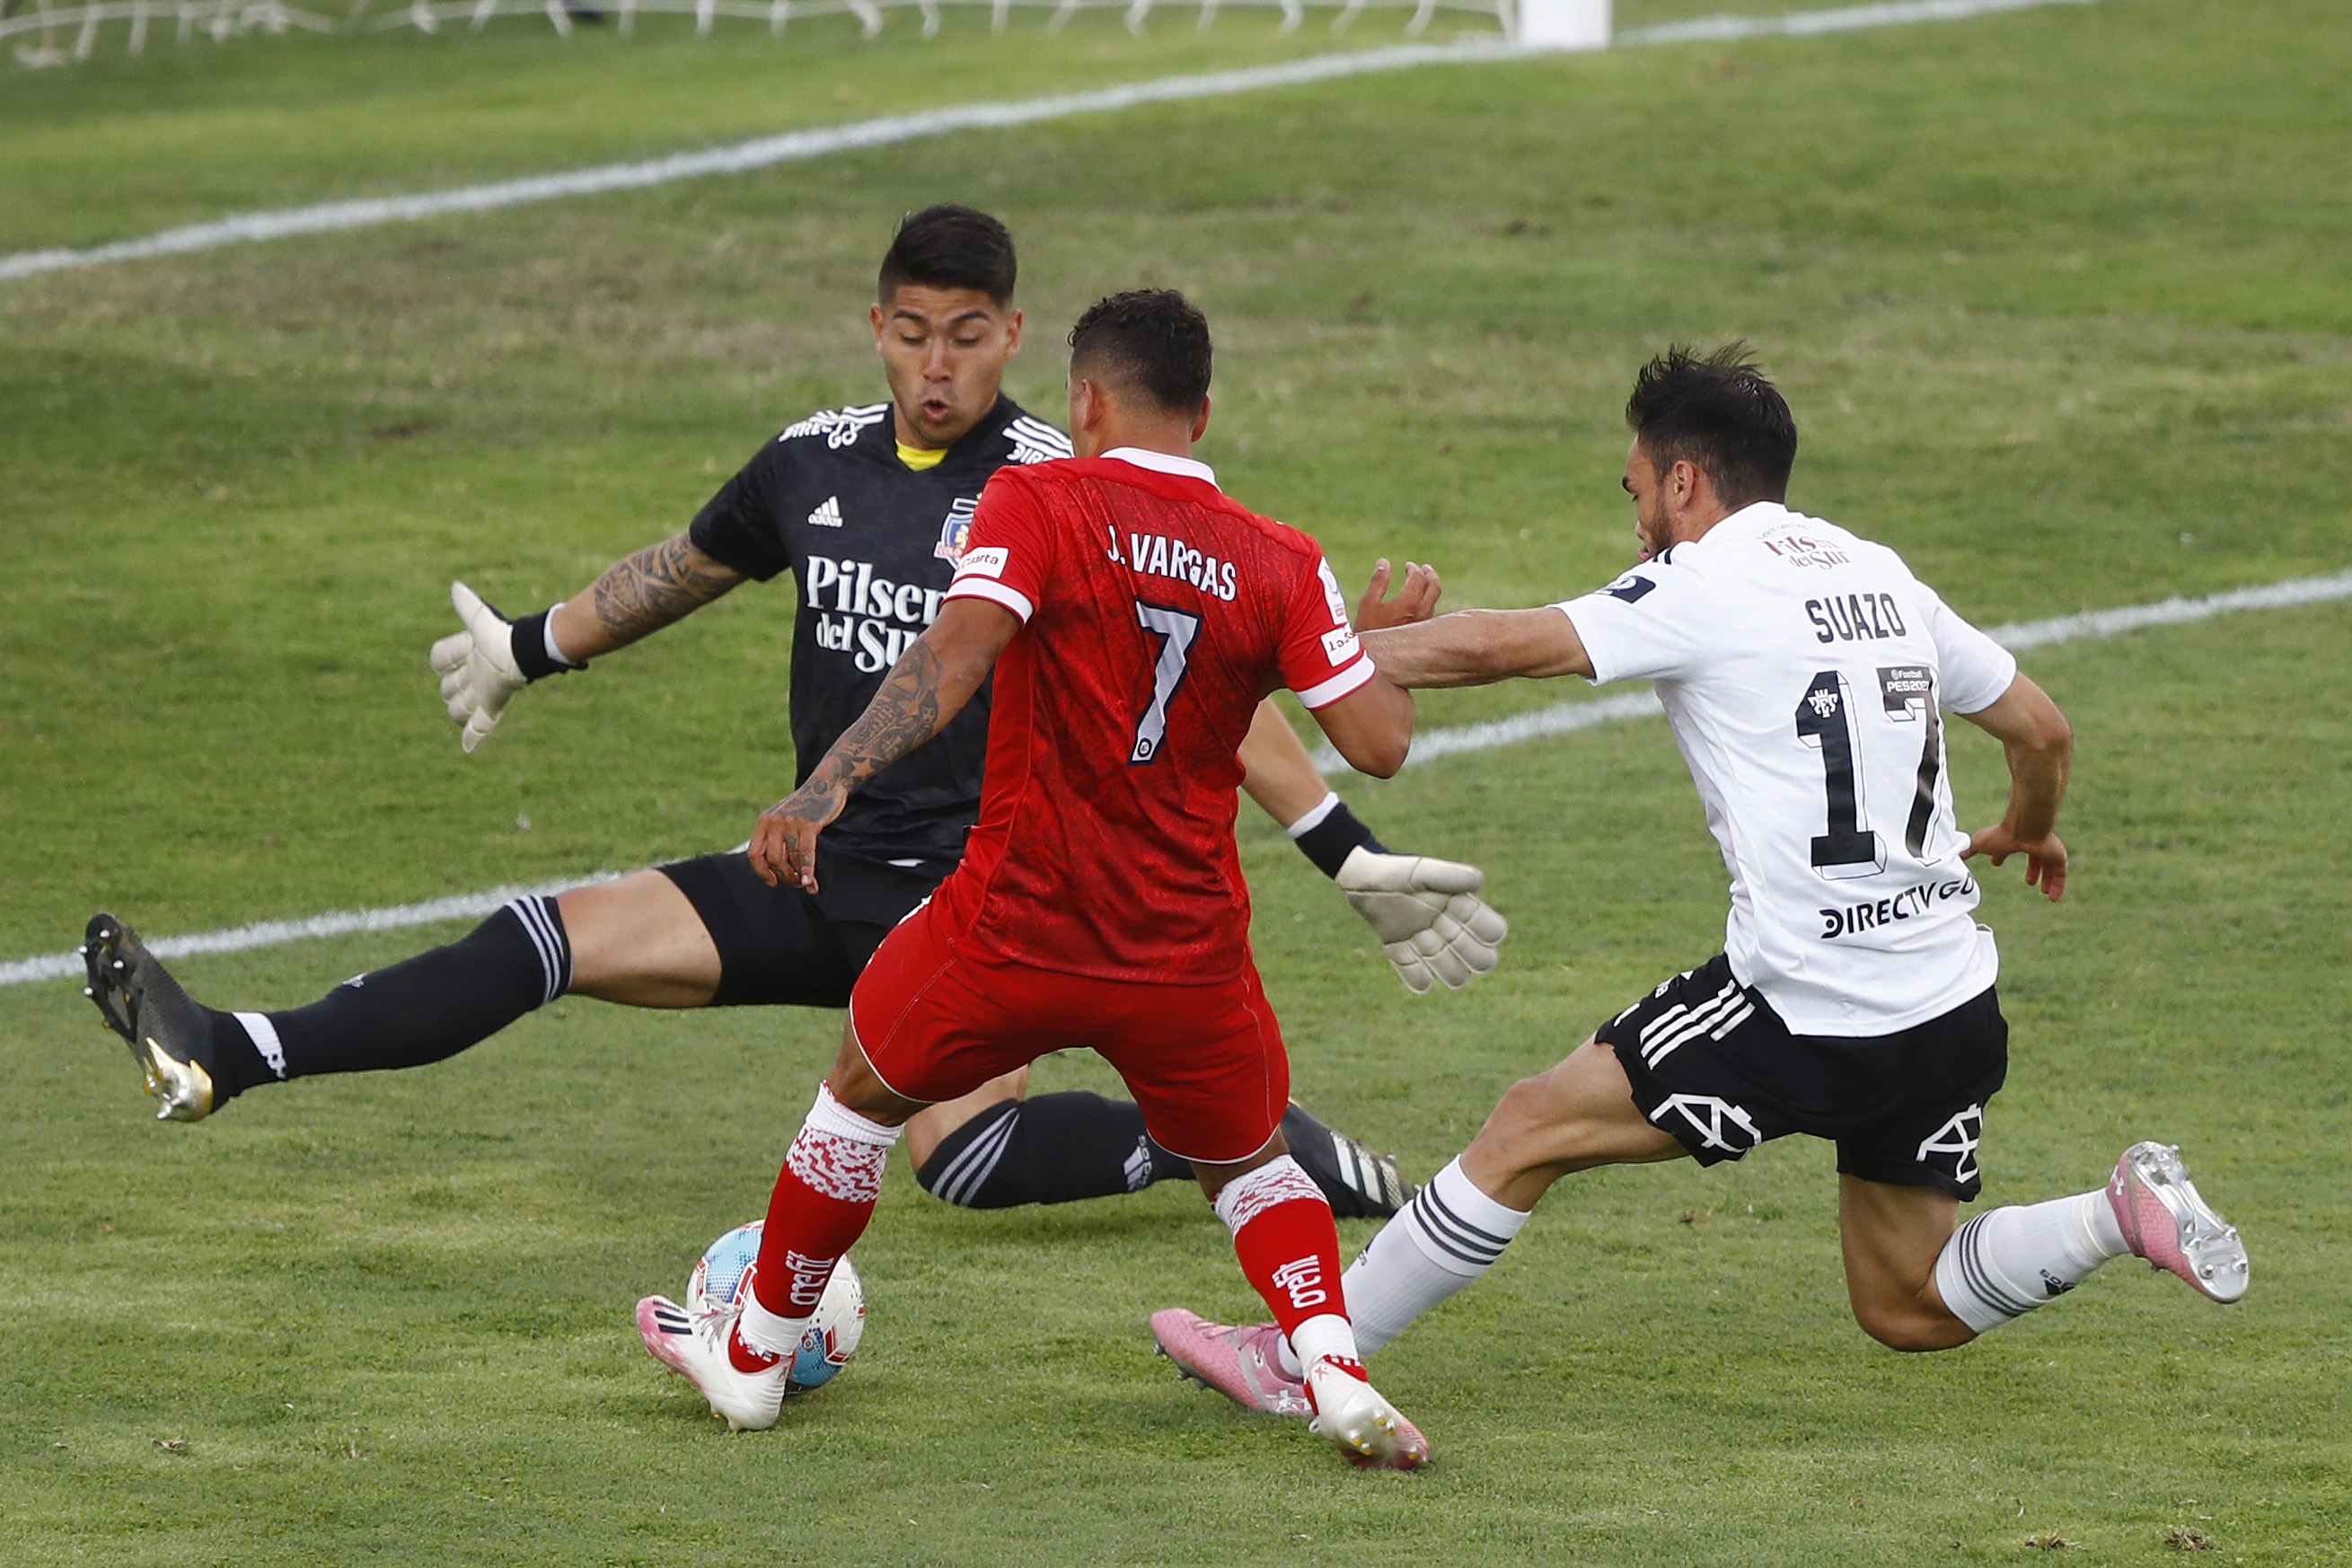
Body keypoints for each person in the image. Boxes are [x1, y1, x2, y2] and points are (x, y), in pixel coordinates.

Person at [78, 207, 1506, 1222]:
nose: (935, 366)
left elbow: (1183, 687)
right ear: (873, 330)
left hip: (976, 897)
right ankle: (232, 1049)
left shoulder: (1053, 488)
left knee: (961, 1155)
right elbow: (687, 569)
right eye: (909, 335)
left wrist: (1339, 846)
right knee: (546, 938)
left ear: (1015, 340)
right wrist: (530, 645)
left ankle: (1234, 1146)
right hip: (810, 866)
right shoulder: (814, 458)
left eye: (964, 338)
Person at [1150, 343, 2250, 1415]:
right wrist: (2029, 828)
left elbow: (1504, 647)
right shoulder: (1879, 573)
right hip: (1949, 1002)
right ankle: (2118, 1211)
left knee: (1530, 1124)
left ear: (1684, 479)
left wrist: (1325, 650)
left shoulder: (1700, 577)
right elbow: (2042, 729)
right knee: (1908, 1303)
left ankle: (1306, 1365)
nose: (1635, 523)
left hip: (1807, 1004)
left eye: (1637, 490)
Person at [638, 289, 1431, 1468]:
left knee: (856, 1093)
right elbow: (1376, 742)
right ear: (1202, 413)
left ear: (1085, 400)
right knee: (1249, 1164)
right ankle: (1332, 1364)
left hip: (1011, 927)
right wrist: (1374, 640)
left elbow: (954, 655)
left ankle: (752, 1360)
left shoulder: (1039, 496)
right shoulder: (1279, 559)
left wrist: (827, 781)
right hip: (1182, 952)